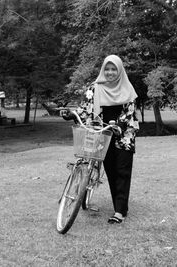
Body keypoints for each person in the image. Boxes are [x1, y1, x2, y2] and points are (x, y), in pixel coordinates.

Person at [63, 55, 139, 224]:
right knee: (111, 170)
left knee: (122, 171)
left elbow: (129, 113)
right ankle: (110, 201)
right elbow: (85, 109)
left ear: (119, 71)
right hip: (101, 134)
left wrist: (119, 125)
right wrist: (71, 114)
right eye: (107, 69)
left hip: (123, 135)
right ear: (103, 70)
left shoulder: (127, 88)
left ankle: (120, 211)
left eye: (114, 69)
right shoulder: (94, 88)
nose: (110, 72)